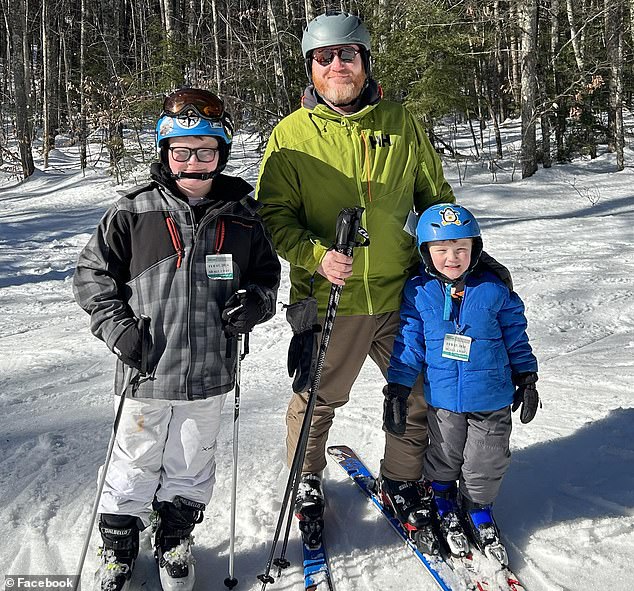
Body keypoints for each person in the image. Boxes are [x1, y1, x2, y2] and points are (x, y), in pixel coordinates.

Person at [256, 10, 460, 546]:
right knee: (317, 398)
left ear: (365, 63)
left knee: (416, 393)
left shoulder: (400, 123)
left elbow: (437, 201)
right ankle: (305, 479)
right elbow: (274, 218)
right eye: (324, 58)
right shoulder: (291, 136)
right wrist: (316, 255)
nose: (337, 65)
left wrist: (450, 252)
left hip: (401, 294)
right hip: (330, 299)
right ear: (311, 69)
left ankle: (401, 479)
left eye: (347, 55)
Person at [73, 88, 280, 591]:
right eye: (181, 151)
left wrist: (256, 302)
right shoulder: (133, 210)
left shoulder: (242, 215)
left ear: (221, 154)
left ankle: (174, 539)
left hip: (210, 372)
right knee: (133, 463)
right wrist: (117, 327)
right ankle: (119, 545)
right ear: (165, 155)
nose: (193, 161)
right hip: (146, 370)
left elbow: (266, 276)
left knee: (191, 463)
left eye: (205, 151)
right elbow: (90, 276)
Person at [384, 203, 539, 563]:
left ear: (475, 250)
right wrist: (397, 386)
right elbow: (410, 343)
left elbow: (516, 335)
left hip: (492, 396)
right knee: (445, 452)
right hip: (443, 398)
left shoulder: (493, 289)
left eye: (461, 249)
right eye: (441, 250)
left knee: (485, 458)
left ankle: (478, 508)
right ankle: (440, 496)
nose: (451, 258)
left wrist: (527, 376)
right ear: (426, 252)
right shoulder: (419, 292)